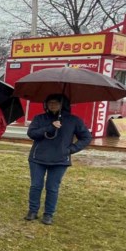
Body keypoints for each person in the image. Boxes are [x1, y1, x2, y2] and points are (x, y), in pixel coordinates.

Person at [25, 94, 92, 225]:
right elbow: (31, 133)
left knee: (52, 187)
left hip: (60, 160)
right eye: (50, 102)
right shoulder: (40, 118)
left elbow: (86, 137)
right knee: (36, 186)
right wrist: (50, 127)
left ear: (63, 105)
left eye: (56, 103)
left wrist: (71, 149)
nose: (53, 105)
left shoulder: (74, 120)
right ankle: (32, 211)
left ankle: (48, 214)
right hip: (38, 158)